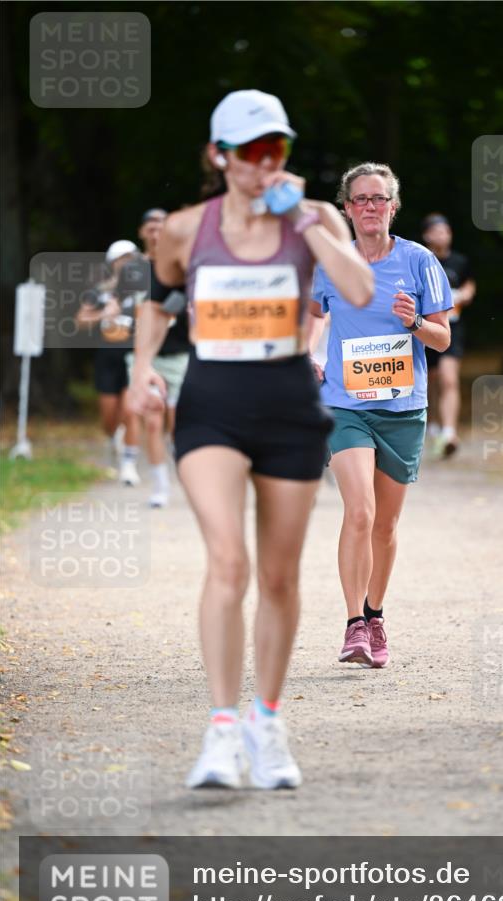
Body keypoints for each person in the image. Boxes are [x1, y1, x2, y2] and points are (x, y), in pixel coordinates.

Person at [128, 90, 373, 789]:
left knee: (278, 576)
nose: (264, 163)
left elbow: (357, 290)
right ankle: (220, 730)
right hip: (213, 404)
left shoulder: (315, 217)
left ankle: (267, 722)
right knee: (228, 562)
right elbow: (159, 303)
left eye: (276, 149)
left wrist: (305, 221)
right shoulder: (184, 229)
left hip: (288, 404)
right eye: (250, 151)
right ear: (219, 155)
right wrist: (143, 368)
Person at [309, 163, 452, 669]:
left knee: (386, 526)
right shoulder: (331, 261)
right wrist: (309, 353)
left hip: (402, 409)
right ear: (347, 208)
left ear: (393, 207)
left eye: (379, 198)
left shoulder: (419, 261)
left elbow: (443, 338)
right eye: (361, 199)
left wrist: (413, 322)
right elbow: (313, 316)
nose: (370, 206)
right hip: (345, 405)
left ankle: (374, 615)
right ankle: (353, 625)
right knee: (360, 512)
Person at [121, 209, 190, 507]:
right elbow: (122, 305)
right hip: (146, 355)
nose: (155, 233)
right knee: (152, 421)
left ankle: (185, 474)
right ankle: (160, 486)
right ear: (142, 232)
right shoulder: (134, 271)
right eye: (150, 228)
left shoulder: (182, 264)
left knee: (177, 425)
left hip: (180, 356)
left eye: (161, 227)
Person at [75, 240, 142, 482]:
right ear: (113, 263)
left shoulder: (143, 290)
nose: (127, 263)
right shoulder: (99, 291)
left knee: (130, 411)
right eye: (123, 259)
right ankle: (114, 437)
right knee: (109, 417)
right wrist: (105, 313)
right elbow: (80, 320)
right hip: (107, 358)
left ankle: (129, 464)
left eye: (131, 259)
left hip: (133, 356)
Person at [420, 214, 475, 457]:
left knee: (449, 379)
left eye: (446, 231)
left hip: (453, 328)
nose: (442, 236)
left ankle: (450, 432)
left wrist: (462, 295)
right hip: (426, 329)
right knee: (431, 379)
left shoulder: (460, 262)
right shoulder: (421, 260)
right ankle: (432, 425)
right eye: (437, 231)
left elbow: (469, 286)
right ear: (427, 235)